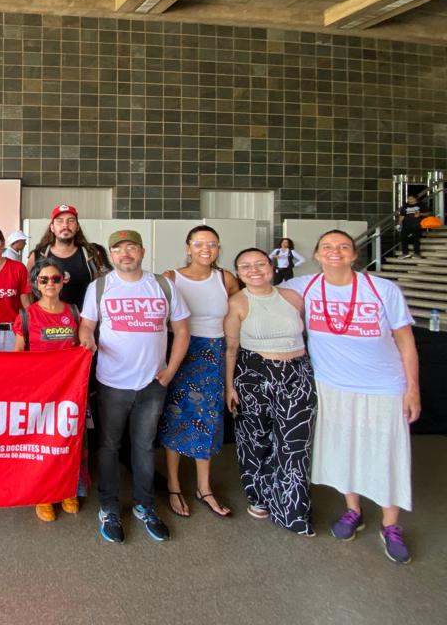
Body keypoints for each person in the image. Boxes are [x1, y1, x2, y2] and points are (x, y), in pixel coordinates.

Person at [281, 230, 420, 564]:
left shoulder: (382, 289)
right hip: (333, 386)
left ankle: (391, 524)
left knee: (387, 453)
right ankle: (353, 510)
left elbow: (405, 339)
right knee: (345, 448)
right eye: (327, 247)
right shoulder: (304, 287)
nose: (335, 252)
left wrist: (412, 388)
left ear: (355, 254)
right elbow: (258, 291)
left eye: (343, 247)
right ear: (317, 254)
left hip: (384, 385)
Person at [78, 230, 190, 545]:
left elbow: (182, 330)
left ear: (142, 251)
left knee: (144, 447)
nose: (125, 254)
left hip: (153, 383)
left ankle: (145, 505)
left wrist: (170, 370)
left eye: (131, 248)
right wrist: (86, 340)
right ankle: (109, 508)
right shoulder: (100, 287)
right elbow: (87, 325)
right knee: (109, 447)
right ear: (111, 255)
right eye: (118, 249)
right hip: (112, 383)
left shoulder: (163, 285)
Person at [224, 248, 314, 535]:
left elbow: (310, 337)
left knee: (294, 443)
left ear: (272, 266)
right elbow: (231, 349)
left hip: (297, 374)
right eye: (245, 266)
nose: (254, 270)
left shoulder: (293, 297)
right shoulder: (237, 302)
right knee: (256, 439)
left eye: (260, 264)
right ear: (238, 273)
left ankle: (292, 510)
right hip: (254, 374)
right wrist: (229, 386)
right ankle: (259, 496)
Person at [158, 225, 240, 519]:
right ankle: (174, 484)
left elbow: (238, 316)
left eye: (213, 244)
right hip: (181, 353)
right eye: (199, 243)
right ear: (188, 247)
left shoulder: (225, 279)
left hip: (214, 354)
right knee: (175, 417)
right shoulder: (171, 278)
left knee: (208, 419)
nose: (206, 249)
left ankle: (204, 487)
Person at [14, 259, 83, 523]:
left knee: (66, 442)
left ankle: (66, 490)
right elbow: (18, 354)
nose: (50, 283)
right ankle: (43, 494)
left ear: (63, 281)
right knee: (41, 443)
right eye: (44, 279)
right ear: (36, 284)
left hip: (68, 391)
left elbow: (81, 346)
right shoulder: (27, 315)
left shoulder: (74, 312)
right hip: (39, 392)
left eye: (55, 278)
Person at [27, 204, 106, 305]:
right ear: (52, 227)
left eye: (71, 221)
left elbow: (101, 289)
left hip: (82, 315)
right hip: (45, 315)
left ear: (77, 227)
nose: (65, 225)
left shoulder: (90, 256)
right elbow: (27, 290)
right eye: (60, 221)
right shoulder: (38, 256)